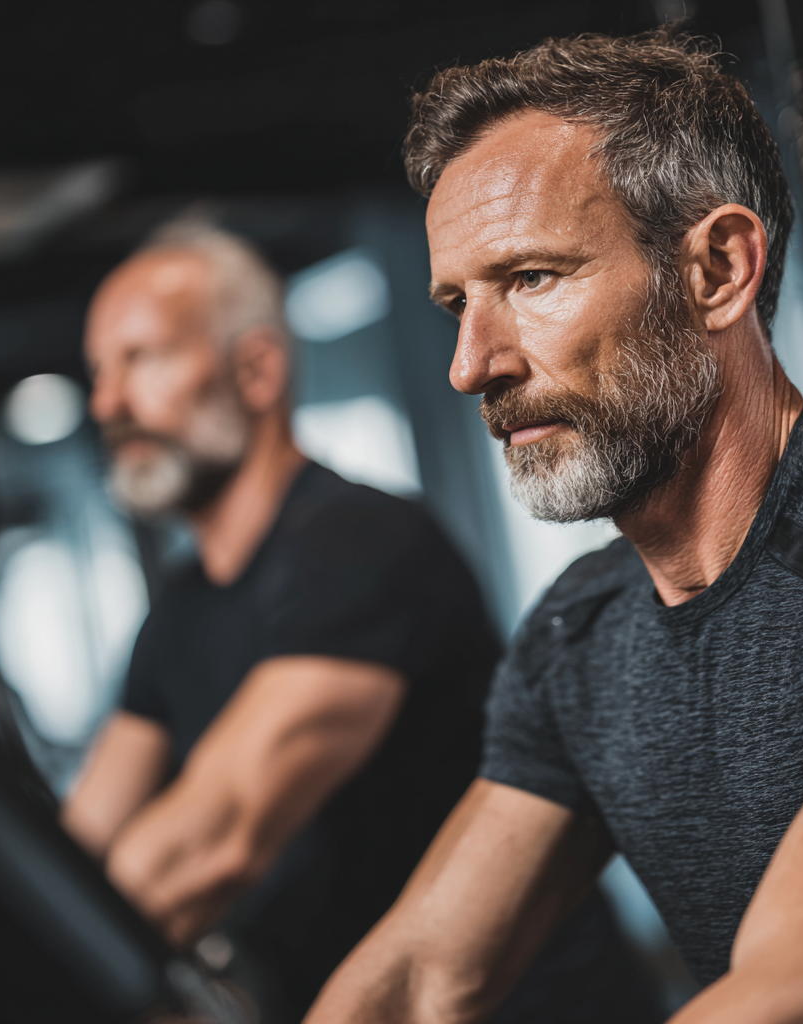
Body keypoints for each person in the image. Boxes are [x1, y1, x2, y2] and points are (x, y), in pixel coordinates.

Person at [303, 30, 803, 1024]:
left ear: (716, 270)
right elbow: (415, 981)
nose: (472, 364)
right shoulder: (582, 628)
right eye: (456, 302)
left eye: (531, 278)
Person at [62, 224, 658, 1023]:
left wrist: (37, 978)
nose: (107, 403)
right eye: (99, 373)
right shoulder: (181, 606)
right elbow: (85, 841)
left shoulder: (361, 547)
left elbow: (208, 845)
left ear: (258, 369)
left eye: (141, 359)